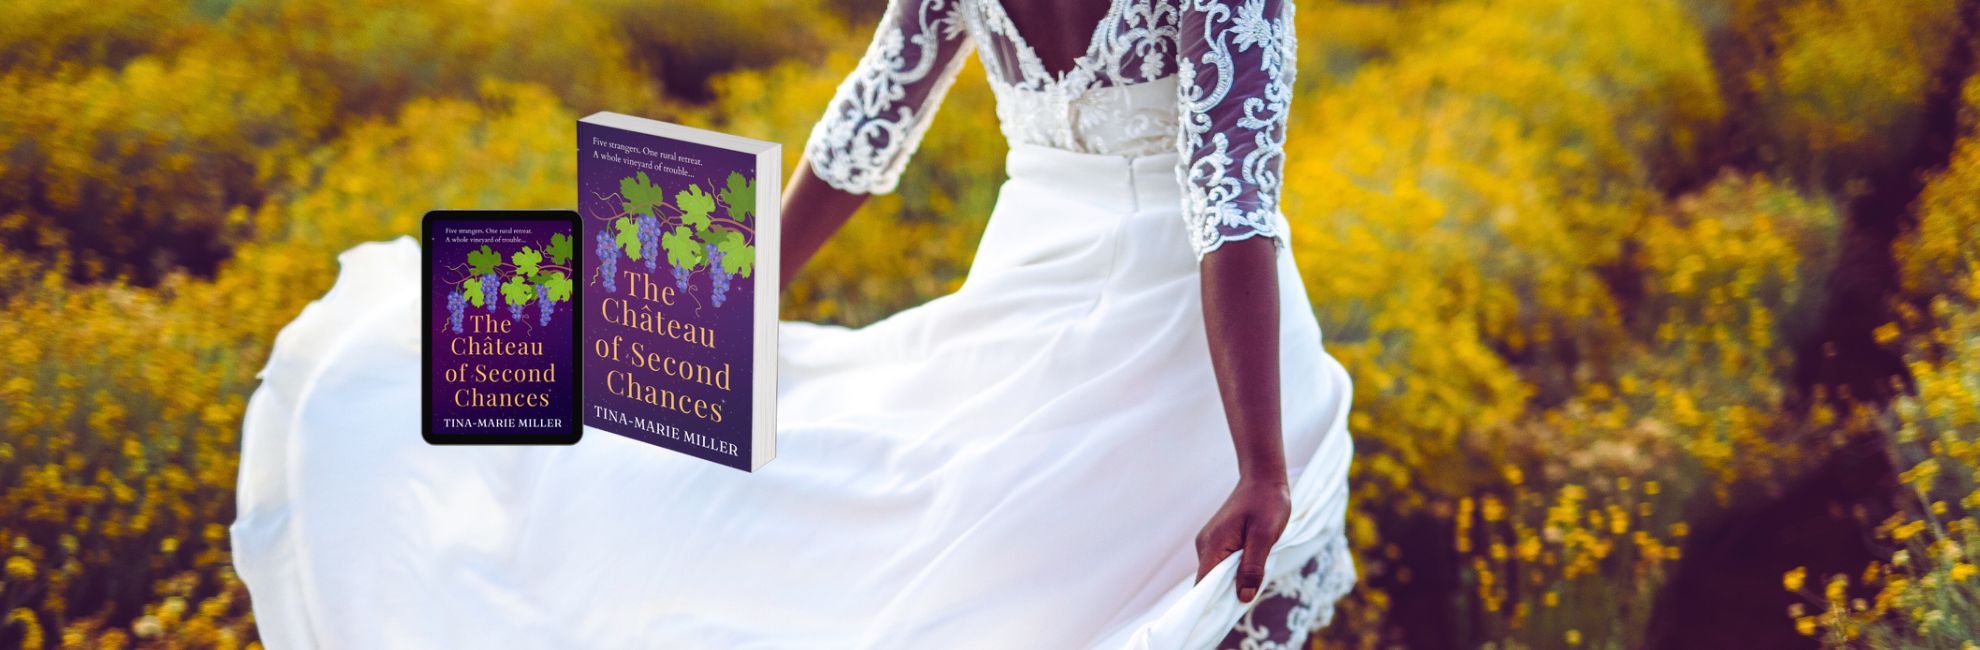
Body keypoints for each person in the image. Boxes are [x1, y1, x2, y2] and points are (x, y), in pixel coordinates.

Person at [230, 0, 1356, 647]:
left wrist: (740, 290)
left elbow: (868, 125)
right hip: (1183, 354)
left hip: (1053, 302)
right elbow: (1232, 211)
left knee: (908, 537)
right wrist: (1260, 462)